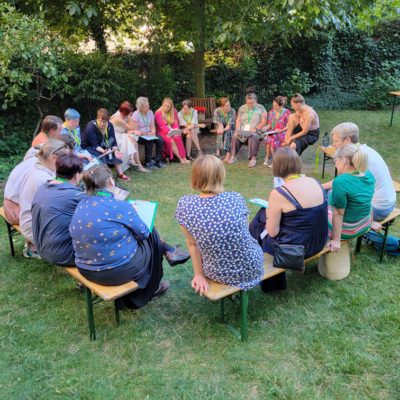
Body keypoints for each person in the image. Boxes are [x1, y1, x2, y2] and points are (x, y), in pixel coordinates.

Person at [70, 164, 191, 309]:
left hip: (86, 269)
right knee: (151, 234)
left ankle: (170, 252)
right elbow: (144, 233)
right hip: (115, 273)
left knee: (137, 235)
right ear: (111, 181)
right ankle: (153, 286)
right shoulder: (121, 206)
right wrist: (134, 213)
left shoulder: (81, 203)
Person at [175, 155, 264, 295]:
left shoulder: (185, 204)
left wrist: (199, 274)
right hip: (252, 266)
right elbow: (245, 235)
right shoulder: (235, 198)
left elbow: (192, 244)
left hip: (218, 273)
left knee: (192, 240)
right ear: (221, 175)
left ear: (194, 176)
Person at [249, 147, 328, 293]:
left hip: (295, 250)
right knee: (264, 217)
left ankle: (270, 283)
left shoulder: (280, 193)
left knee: (260, 221)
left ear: (278, 166)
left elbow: (272, 233)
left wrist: (268, 215)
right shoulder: (314, 182)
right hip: (319, 242)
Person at [322, 122, 396, 222]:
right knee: (330, 193)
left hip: (377, 208)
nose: (333, 144)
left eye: (336, 141)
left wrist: (319, 187)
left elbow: (343, 184)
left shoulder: (355, 158)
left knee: (328, 196)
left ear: (347, 140)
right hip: (386, 203)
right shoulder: (362, 151)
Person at [31, 153, 85, 268]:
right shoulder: (74, 195)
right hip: (62, 255)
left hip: (40, 247)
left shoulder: (44, 187)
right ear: (76, 176)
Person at [19, 140, 69, 258]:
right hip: (33, 227)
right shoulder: (45, 178)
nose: (68, 161)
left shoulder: (40, 169)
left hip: (30, 221)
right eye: (65, 157)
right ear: (53, 158)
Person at [326, 144, 378, 253]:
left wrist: (336, 240)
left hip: (347, 230)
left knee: (315, 211)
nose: (335, 165)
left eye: (335, 160)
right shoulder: (368, 174)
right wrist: (372, 222)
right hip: (364, 223)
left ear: (344, 161)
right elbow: (369, 201)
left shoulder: (340, 182)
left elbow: (339, 214)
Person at [81, 108, 129, 181]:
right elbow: (95, 145)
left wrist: (115, 150)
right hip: (88, 146)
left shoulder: (110, 126)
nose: (102, 124)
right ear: (97, 118)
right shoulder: (91, 126)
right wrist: (104, 152)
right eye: (101, 121)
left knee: (115, 150)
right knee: (100, 154)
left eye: (105, 122)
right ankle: (107, 177)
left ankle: (120, 174)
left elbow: (113, 140)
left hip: (102, 145)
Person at [229, 92, 267, 167]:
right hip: (243, 130)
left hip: (255, 130)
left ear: (255, 101)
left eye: (252, 103)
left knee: (253, 137)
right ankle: (233, 156)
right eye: (248, 103)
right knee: (235, 137)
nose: (250, 105)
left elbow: (264, 121)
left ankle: (253, 158)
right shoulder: (242, 108)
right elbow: (238, 120)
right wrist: (238, 130)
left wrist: (255, 129)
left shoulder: (261, 108)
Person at [110, 101, 149, 173]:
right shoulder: (117, 118)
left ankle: (135, 162)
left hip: (121, 135)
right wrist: (130, 118)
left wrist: (133, 131)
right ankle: (134, 162)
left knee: (133, 139)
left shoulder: (124, 116)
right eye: (130, 112)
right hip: (115, 139)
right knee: (132, 137)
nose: (131, 113)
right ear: (125, 112)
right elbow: (131, 129)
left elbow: (132, 129)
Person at [132, 96, 166, 170]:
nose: (148, 107)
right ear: (141, 107)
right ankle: (148, 162)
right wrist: (145, 133)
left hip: (149, 134)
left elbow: (153, 126)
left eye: (148, 105)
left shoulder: (150, 112)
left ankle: (158, 160)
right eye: (146, 106)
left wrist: (153, 134)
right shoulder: (136, 114)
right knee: (149, 141)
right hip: (139, 135)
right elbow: (135, 130)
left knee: (160, 139)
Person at [155, 98, 191, 165]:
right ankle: (180, 158)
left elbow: (175, 122)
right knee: (171, 140)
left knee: (178, 138)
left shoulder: (174, 111)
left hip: (171, 130)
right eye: (165, 105)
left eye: (168, 106)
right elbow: (162, 126)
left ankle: (184, 157)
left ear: (171, 107)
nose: (166, 108)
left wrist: (176, 129)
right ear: (162, 104)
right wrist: (169, 132)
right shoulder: (158, 113)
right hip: (162, 132)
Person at [263, 96, 291, 168]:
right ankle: (269, 157)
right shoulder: (272, 112)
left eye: (276, 106)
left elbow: (288, 126)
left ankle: (275, 160)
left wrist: (281, 130)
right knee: (269, 138)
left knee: (272, 139)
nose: (274, 107)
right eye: (273, 105)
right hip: (273, 132)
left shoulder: (287, 112)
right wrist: (266, 127)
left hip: (282, 132)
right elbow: (270, 124)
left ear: (281, 105)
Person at [213, 97, 236, 163]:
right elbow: (220, 125)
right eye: (227, 106)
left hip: (230, 127)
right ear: (222, 107)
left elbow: (228, 126)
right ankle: (218, 153)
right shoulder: (217, 111)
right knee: (219, 133)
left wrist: (223, 130)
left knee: (228, 133)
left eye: (229, 105)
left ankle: (228, 155)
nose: (229, 107)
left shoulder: (232, 111)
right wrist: (221, 130)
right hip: (221, 126)